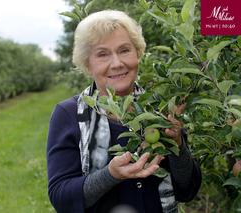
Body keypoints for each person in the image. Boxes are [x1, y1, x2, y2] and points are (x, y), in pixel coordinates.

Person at [47, 10, 201, 213]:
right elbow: (62, 198)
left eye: (124, 50)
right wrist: (110, 174)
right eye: (102, 54)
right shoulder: (69, 114)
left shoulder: (160, 110)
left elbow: (187, 190)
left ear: (138, 53)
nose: (117, 63)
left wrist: (178, 145)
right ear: (87, 63)